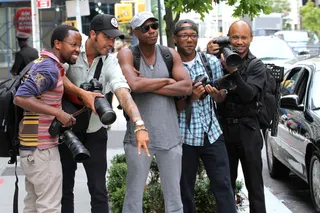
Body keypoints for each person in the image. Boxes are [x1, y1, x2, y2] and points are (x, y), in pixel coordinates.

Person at [59, 14, 150, 213]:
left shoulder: (110, 62)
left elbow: (123, 93)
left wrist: (139, 123)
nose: (111, 42)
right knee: (65, 189)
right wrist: (81, 93)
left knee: (99, 190)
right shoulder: (73, 49)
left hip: (95, 130)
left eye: (114, 38)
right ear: (93, 34)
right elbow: (57, 73)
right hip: (67, 130)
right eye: (107, 37)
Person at [117, 11, 192, 213]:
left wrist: (146, 84)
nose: (152, 31)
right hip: (139, 138)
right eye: (145, 28)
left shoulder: (169, 54)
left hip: (171, 137)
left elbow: (186, 87)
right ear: (135, 32)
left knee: (174, 199)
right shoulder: (127, 54)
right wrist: (168, 80)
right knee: (133, 198)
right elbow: (133, 84)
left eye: (154, 26)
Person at [13, 25, 81, 213]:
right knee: (49, 206)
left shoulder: (44, 64)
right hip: (41, 148)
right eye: (73, 44)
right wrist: (58, 113)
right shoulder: (48, 67)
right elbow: (21, 97)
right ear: (57, 44)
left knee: (33, 205)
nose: (77, 49)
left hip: (31, 147)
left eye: (79, 45)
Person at [173, 19, 237, 213]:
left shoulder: (210, 62)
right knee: (185, 192)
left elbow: (222, 97)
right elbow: (168, 108)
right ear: (175, 39)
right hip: (183, 136)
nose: (189, 40)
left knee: (224, 186)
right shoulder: (170, 66)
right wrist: (191, 97)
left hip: (212, 133)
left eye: (193, 35)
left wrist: (218, 95)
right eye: (184, 36)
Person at [211, 20, 267, 213]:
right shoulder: (218, 59)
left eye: (244, 37)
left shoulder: (256, 65)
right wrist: (210, 52)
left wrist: (233, 71)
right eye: (235, 37)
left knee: (255, 185)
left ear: (251, 39)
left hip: (248, 130)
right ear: (228, 38)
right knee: (225, 185)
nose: (240, 42)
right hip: (224, 130)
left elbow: (249, 94)